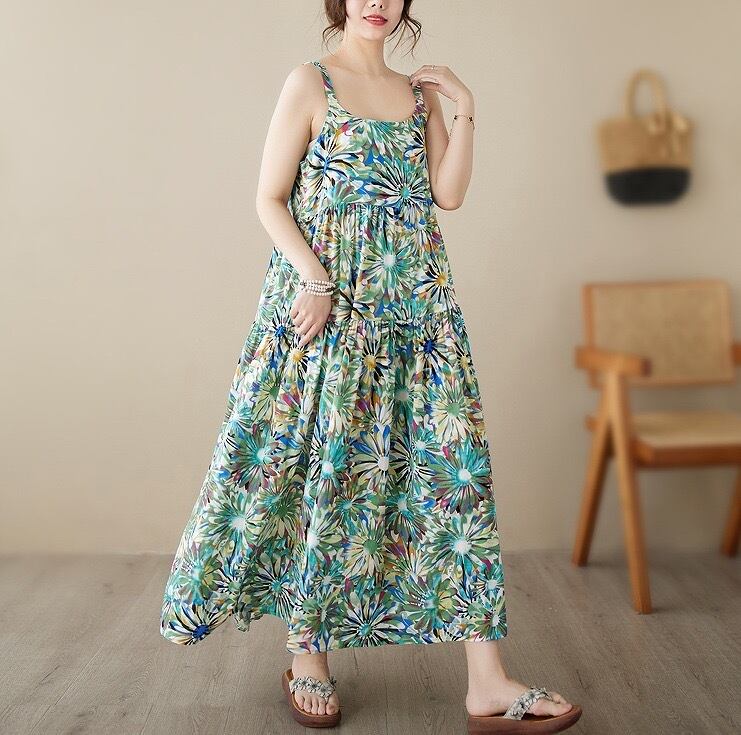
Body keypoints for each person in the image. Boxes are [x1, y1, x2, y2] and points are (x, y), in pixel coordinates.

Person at [160, 1, 582, 732]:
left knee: (452, 479)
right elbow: (269, 198)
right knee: (324, 470)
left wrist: (465, 106)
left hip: (416, 310)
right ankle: (308, 657)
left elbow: (448, 194)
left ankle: (487, 680)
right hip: (329, 308)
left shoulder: (419, 97)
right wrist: (315, 280)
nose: (376, 2)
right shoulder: (310, 83)